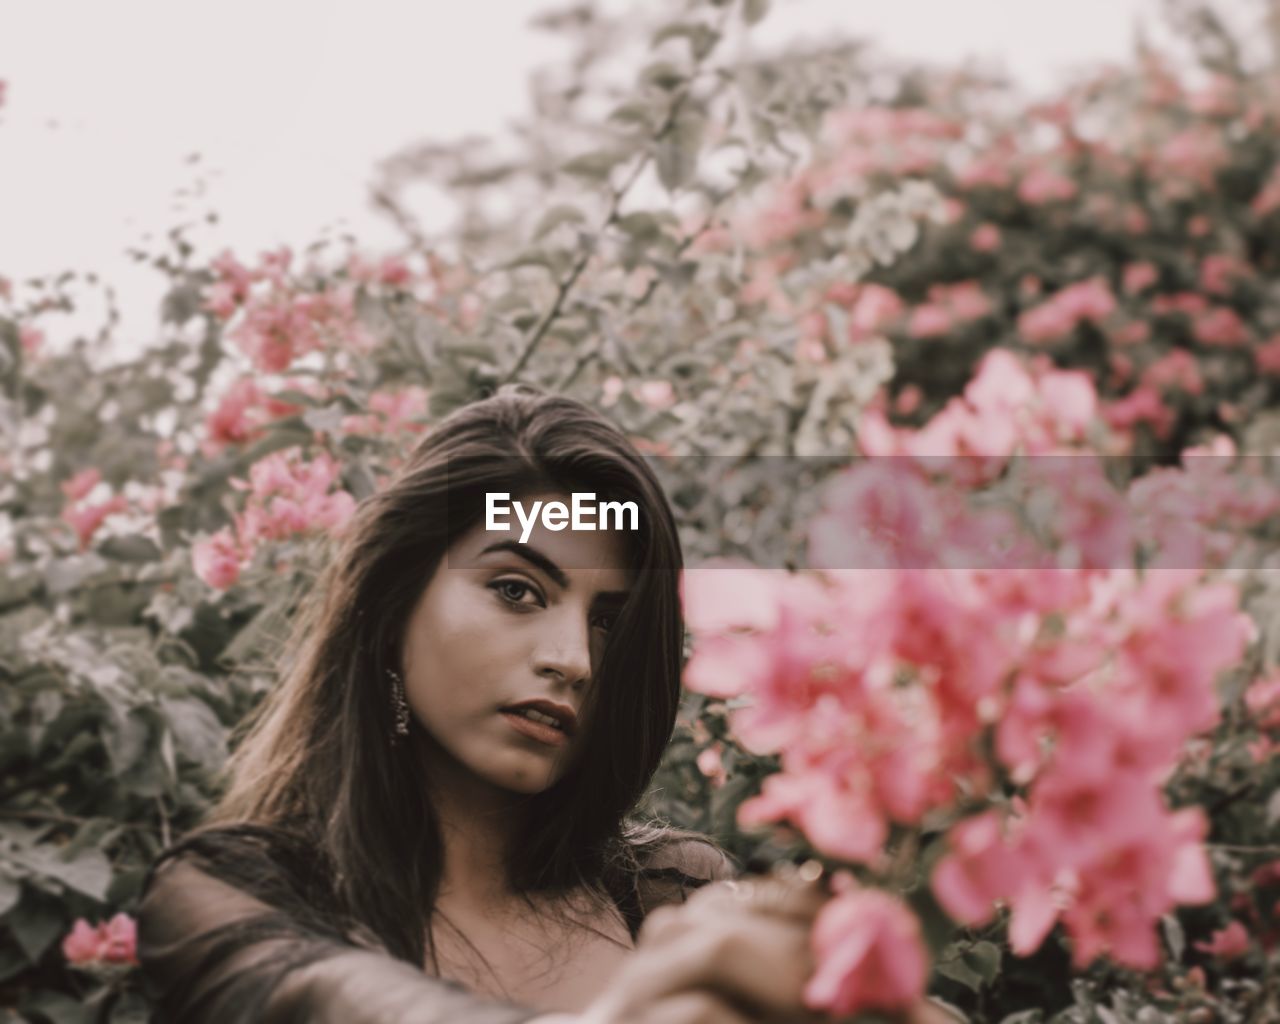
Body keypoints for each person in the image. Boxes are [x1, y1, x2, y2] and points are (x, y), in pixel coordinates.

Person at [134, 385, 941, 1023]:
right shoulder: (228, 895)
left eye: (609, 624)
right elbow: (324, 1006)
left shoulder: (674, 893)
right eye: (517, 590)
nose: (575, 660)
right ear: (390, 610)